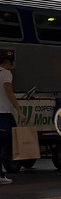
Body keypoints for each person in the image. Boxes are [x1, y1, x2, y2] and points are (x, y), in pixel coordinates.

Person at [0, 52, 22, 184]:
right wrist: (19, 111)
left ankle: (1, 174)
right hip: (4, 115)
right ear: (8, 64)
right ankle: (1, 175)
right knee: (6, 145)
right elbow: (9, 92)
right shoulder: (6, 74)